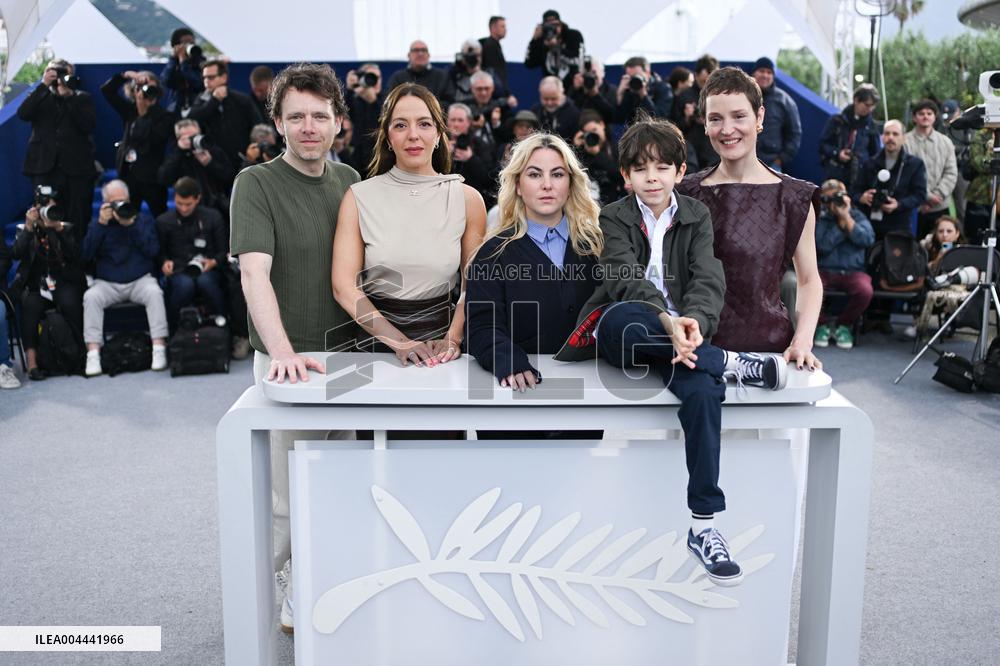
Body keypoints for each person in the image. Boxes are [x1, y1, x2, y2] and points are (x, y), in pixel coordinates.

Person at [555, 117, 787, 586]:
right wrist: (667, 319)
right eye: (641, 170)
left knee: (703, 394)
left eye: (662, 168)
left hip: (685, 342)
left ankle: (704, 525)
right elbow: (622, 277)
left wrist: (694, 326)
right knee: (625, 319)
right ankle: (728, 363)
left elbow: (708, 279)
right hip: (631, 328)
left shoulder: (696, 215)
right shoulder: (614, 217)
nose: (652, 178)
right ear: (626, 177)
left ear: (680, 172)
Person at [230, 62, 361, 633]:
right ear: (278, 123)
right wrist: (281, 352)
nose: (309, 126)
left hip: (351, 360)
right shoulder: (254, 184)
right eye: (296, 116)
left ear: (338, 122)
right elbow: (255, 277)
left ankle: (322, 573)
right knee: (285, 497)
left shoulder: (351, 180)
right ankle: (282, 583)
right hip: (291, 361)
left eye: (320, 115)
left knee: (342, 478)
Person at [677, 67, 823, 368]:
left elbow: (809, 280)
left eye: (738, 116)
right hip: (696, 354)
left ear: (759, 118)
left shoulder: (794, 197)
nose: (727, 129)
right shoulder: (684, 193)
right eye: (715, 118)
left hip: (769, 354)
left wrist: (803, 341)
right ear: (704, 125)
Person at [333, 83, 486, 367]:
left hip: (442, 351)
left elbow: (473, 283)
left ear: (439, 134)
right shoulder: (358, 197)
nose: (413, 135)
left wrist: (453, 338)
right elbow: (344, 286)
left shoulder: (467, 199)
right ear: (388, 137)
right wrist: (400, 343)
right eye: (401, 125)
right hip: (374, 352)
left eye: (424, 124)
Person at [465, 132, 602, 440]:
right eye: (534, 174)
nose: (547, 185)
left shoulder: (596, 247)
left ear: (570, 184)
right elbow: (481, 326)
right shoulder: (493, 253)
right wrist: (508, 361)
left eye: (557, 174)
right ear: (517, 185)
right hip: (514, 400)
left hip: (584, 401)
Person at [80, 180, 168, 377]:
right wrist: (101, 225)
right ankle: (93, 353)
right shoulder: (98, 223)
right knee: (91, 297)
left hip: (139, 280)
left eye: (124, 201)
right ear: (106, 203)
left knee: (155, 293)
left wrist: (131, 225)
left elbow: (153, 250)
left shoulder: (142, 219)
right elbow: (85, 255)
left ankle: (158, 347)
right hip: (108, 283)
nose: (120, 206)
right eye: (115, 202)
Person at [17, 58, 97, 242]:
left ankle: (76, 259)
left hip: (76, 169)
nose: (60, 77)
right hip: (44, 167)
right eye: (56, 72)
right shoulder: (40, 95)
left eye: (64, 73)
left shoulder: (82, 98)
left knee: (77, 214)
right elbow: (23, 114)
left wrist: (69, 96)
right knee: (45, 213)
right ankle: (47, 259)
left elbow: (88, 126)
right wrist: (43, 85)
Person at [10, 197, 85, 380]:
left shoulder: (65, 227)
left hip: (63, 281)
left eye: (51, 207)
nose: (47, 212)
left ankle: (80, 356)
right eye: (43, 208)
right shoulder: (25, 229)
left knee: (71, 302)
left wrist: (58, 230)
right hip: (35, 284)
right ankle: (32, 362)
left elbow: (76, 256)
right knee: (30, 305)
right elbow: (16, 254)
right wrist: (29, 227)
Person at [155, 177, 228, 330]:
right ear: (174, 198)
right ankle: (174, 331)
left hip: (208, 268)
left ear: (198, 199)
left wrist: (213, 261)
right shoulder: (163, 221)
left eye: (188, 204)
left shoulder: (213, 217)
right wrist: (164, 262)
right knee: (184, 285)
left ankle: (223, 326)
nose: (184, 208)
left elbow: (223, 251)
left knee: (206, 282)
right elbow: (160, 253)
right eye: (179, 203)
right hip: (179, 269)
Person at [100, 69, 175, 217]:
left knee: (160, 217)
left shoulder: (166, 117)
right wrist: (124, 76)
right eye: (140, 88)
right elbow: (107, 91)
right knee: (127, 217)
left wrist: (143, 111)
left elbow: (153, 139)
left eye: (150, 88)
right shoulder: (130, 110)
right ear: (134, 91)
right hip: (128, 174)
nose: (146, 92)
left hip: (152, 177)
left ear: (158, 91)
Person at [813, 180, 875, 350]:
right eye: (828, 198)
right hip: (825, 269)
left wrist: (846, 217)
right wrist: (841, 227)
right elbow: (821, 246)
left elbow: (867, 240)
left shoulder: (858, 216)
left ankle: (844, 325)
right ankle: (822, 325)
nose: (834, 202)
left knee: (865, 290)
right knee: (806, 286)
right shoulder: (821, 219)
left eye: (837, 197)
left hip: (852, 271)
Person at [853, 119, 928, 239]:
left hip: (900, 226)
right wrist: (862, 197)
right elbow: (854, 191)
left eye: (895, 134)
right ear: (882, 137)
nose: (890, 137)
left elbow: (920, 195)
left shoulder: (915, 164)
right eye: (887, 133)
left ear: (904, 138)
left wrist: (898, 204)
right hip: (870, 227)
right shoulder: (869, 163)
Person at [188, 59, 263, 170]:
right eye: (204, 78)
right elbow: (192, 119)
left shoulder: (242, 100)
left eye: (211, 77)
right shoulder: (201, 100)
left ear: (224, 77)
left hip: (242, 161)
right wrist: (214, 100)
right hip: (213, 165)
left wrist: (253, 150)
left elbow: (258, 126)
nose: (206, 82)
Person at [158, 118, 236, 217]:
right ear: (178, 138)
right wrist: (179, 152)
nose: (192, 140)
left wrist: (210, 163)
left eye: (195, 136)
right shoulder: (175, 155)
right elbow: (163, 179)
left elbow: (230, 177)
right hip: (188, 207)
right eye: (187, 137)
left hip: (216, 207)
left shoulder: (211, 149)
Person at [905, 99, 958, 238]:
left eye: (929, 113)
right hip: (914, 207)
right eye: (921, 113)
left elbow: (951, 172)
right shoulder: (905, 142)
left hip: (940, 205)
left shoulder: (945, 142)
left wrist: (938, 195)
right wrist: (926, 196)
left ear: (935, 117)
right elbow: (904, 173)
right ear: (914, 117)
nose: (925, 116)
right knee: (913, 249)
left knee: (941, 247)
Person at [818, 83, 882, 192]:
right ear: (856, 100)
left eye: (872, 106)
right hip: (835, 175)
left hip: (859, 180)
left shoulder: (872, 127)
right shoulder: (837, 121)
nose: (870, 109)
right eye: (867, 105)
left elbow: (875, 156)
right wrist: (837, 153)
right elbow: (822, 145)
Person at [751, 57, 801, 172]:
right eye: (761, 71)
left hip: (772, 165)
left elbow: (795, 133)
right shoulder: (742, 97)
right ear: (754, 73)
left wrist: (781, 159)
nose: (765, 75)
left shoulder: (785, 101)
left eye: (769, 72)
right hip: (743, 163)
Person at [446, 103, 496, 206]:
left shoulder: (480, 144)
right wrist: (444, 154)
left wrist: (471, 159)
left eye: (460, 120)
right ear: (447, 122)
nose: (456, 124)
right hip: (445, 199)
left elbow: (488, 180)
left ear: (468, 122)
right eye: (453, 120)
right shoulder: (437, 143)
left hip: (472, 201)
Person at [524, 9, 585, 91]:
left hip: (574, 88)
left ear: (561, 24)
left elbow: (578, 60)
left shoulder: (573, 35)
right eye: (548, 26)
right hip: (552, 89)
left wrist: (556, 47)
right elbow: (530, 63)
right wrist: (534, 40)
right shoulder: (542, 41)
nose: (553, 29)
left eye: (556, 25)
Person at [572, 110, 624, 205]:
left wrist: (598, 154)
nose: (593, 135)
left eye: (594, 130)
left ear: (602, 125)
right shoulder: (584, 152)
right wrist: (576, 149)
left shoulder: (616, 146)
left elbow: (620, 175)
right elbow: (576, 178)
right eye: (587, 133)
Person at [345, 63, 387, 177]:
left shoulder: (387, 99)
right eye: (371, 77)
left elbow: (387, 121)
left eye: (378, 77)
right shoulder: (354, 98)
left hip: (380, 156)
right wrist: (350, 89)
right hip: (357, 156)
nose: (375, 81)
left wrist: (373, 102)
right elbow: (342, 114)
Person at [614, 56, 672, 124]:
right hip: (634, 132)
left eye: (636, 76)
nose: (634, 80)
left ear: (647, 72)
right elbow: (618, 120)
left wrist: (644, 95)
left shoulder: (663, 88)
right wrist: (619, 95)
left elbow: (659, 118)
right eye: (631, 77)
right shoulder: (629, 90)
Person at [159, 27, 205, 113]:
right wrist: (174, 59)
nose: (190, 45)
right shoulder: (173, 63)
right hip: (176, 109)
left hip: (198, 109)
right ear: (176, 47)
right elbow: (166, 81)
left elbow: (198, 82)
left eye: (192, 42)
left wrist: (184, 63)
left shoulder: (201, 62)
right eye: (185, 43)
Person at [569, 56, 616, 126]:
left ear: (602, 73)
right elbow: (569, 114)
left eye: (594, 72)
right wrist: (575, 90)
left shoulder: (612, 90)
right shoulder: (577, 90)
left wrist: (595, 95)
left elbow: (612, 116)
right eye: (587, 73)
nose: (590, 76)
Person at [531, 76, 580, 142]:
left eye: (554, 99)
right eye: (545, 99)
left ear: (562, 93)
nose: (549, 103)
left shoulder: (574, 113)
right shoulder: (535, 111)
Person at [479, 16, 509, 88]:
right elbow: (494, 71)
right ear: (493, 28)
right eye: (502, 26)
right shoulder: (490, 46)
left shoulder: (495, 44)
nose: (505, 30)